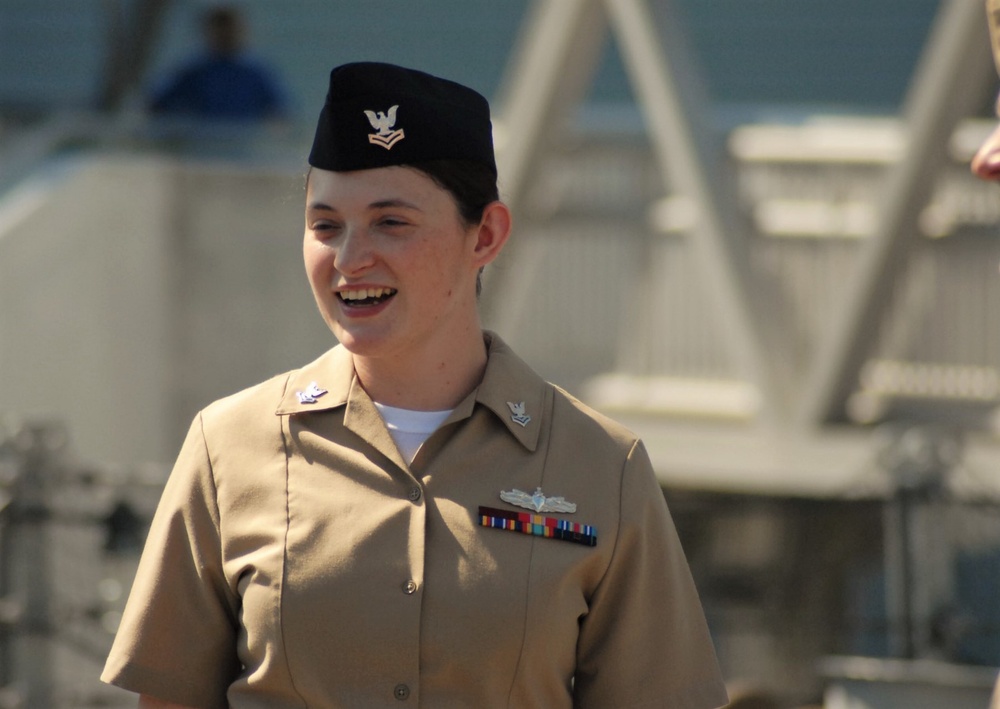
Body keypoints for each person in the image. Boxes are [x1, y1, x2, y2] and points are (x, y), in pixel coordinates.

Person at [101, 62, 729, 709]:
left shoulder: (600, 466)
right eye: (325, 226)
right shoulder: (228, 446)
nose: (349, 258)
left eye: (391, 222)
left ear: (485, 235)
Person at [147, 5, 287, 122]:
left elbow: (281, 112)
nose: (227, 37)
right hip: (203, 145)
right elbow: (157, 106)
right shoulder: (194, 73)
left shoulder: (255, 74)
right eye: (221, 32)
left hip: (244, 147)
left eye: (232, 31)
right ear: (209, 33)